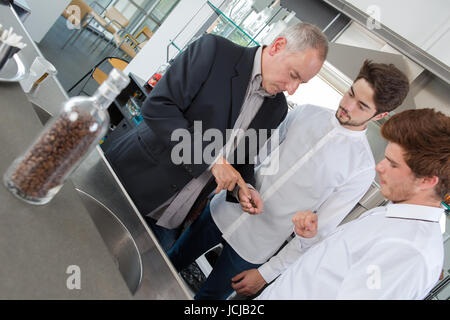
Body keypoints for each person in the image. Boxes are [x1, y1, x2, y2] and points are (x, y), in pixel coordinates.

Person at [168, 60, 410, 299]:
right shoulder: (306, 112)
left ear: (382, 114)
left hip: (255, 248)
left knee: (209, 301)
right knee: (168, 262)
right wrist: (244, 187)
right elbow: (258, 156)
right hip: (222, 210)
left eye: (362, 106)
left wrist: (266, 274)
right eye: (350, 93)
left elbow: (318, 231)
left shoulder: (361, 168)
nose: (348, 105)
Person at [105, 23, 328, 251]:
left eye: (301, 83)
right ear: (277, 46)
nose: (292, 89)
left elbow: (242, 158)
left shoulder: (277, 108)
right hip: (131, 184)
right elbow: (159, 107)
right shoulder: (215, 51)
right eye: (293, 75)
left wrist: (245, 187)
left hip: (172, 219)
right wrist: (212, 160)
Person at [256, 108, 449, 299]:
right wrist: (310, 239)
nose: (379, 167)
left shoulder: (407, 252)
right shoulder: (393, 216)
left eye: (393, 163)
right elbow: (333, 274)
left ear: (426, 181)